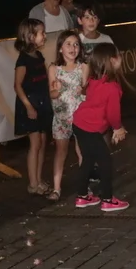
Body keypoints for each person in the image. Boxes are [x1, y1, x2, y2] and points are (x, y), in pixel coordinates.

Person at [71, 43, 130, 212]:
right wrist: (118, 128)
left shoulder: (94, 80)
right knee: (105, 162)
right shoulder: (112, 87)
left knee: (88, 160)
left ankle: (82, 196)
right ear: (113, 60)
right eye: (119, 55)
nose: (121, 58)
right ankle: (107, 199)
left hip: (79, 124)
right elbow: (113, 113)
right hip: (90, 129)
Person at [48, 29, 88, 202]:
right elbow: (52, 94)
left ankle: (84, 187)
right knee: (61, 151)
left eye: (76, 44)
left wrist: (82, 90)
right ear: (60, 48)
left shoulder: (83, 67)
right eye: (68, 44)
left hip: (79, 117)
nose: (73, 48)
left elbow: (87, 90)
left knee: (82, 151)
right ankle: (56, 188)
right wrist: (56, 90)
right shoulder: (54, 68)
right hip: (61, 118)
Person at [13, 19, 52, 196]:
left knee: (42, 143)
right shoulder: (23, 60)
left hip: (42, 102)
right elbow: (17, 85)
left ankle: (39, 178)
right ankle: (33, 183)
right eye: (41, 33)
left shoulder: (39, 56)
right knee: (35, 144)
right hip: (31, 104)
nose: (44, 36)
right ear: (30, 36)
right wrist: (28, 106)